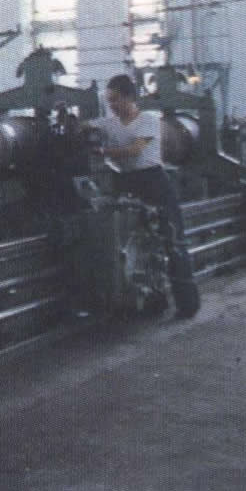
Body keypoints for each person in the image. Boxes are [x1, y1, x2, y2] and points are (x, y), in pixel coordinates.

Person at [91, 74, 201, 319]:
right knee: (138, 243)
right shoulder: (110, 124)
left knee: (173, 241)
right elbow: (87, 127)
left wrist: (103, 151)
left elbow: (135, 150)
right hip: (125, 182)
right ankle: (152, 299)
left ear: (130, 97)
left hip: (154, 182)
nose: (112, 105)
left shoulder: (149, 120)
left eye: (116, 99)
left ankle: (188, 305)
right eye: (109, 101)